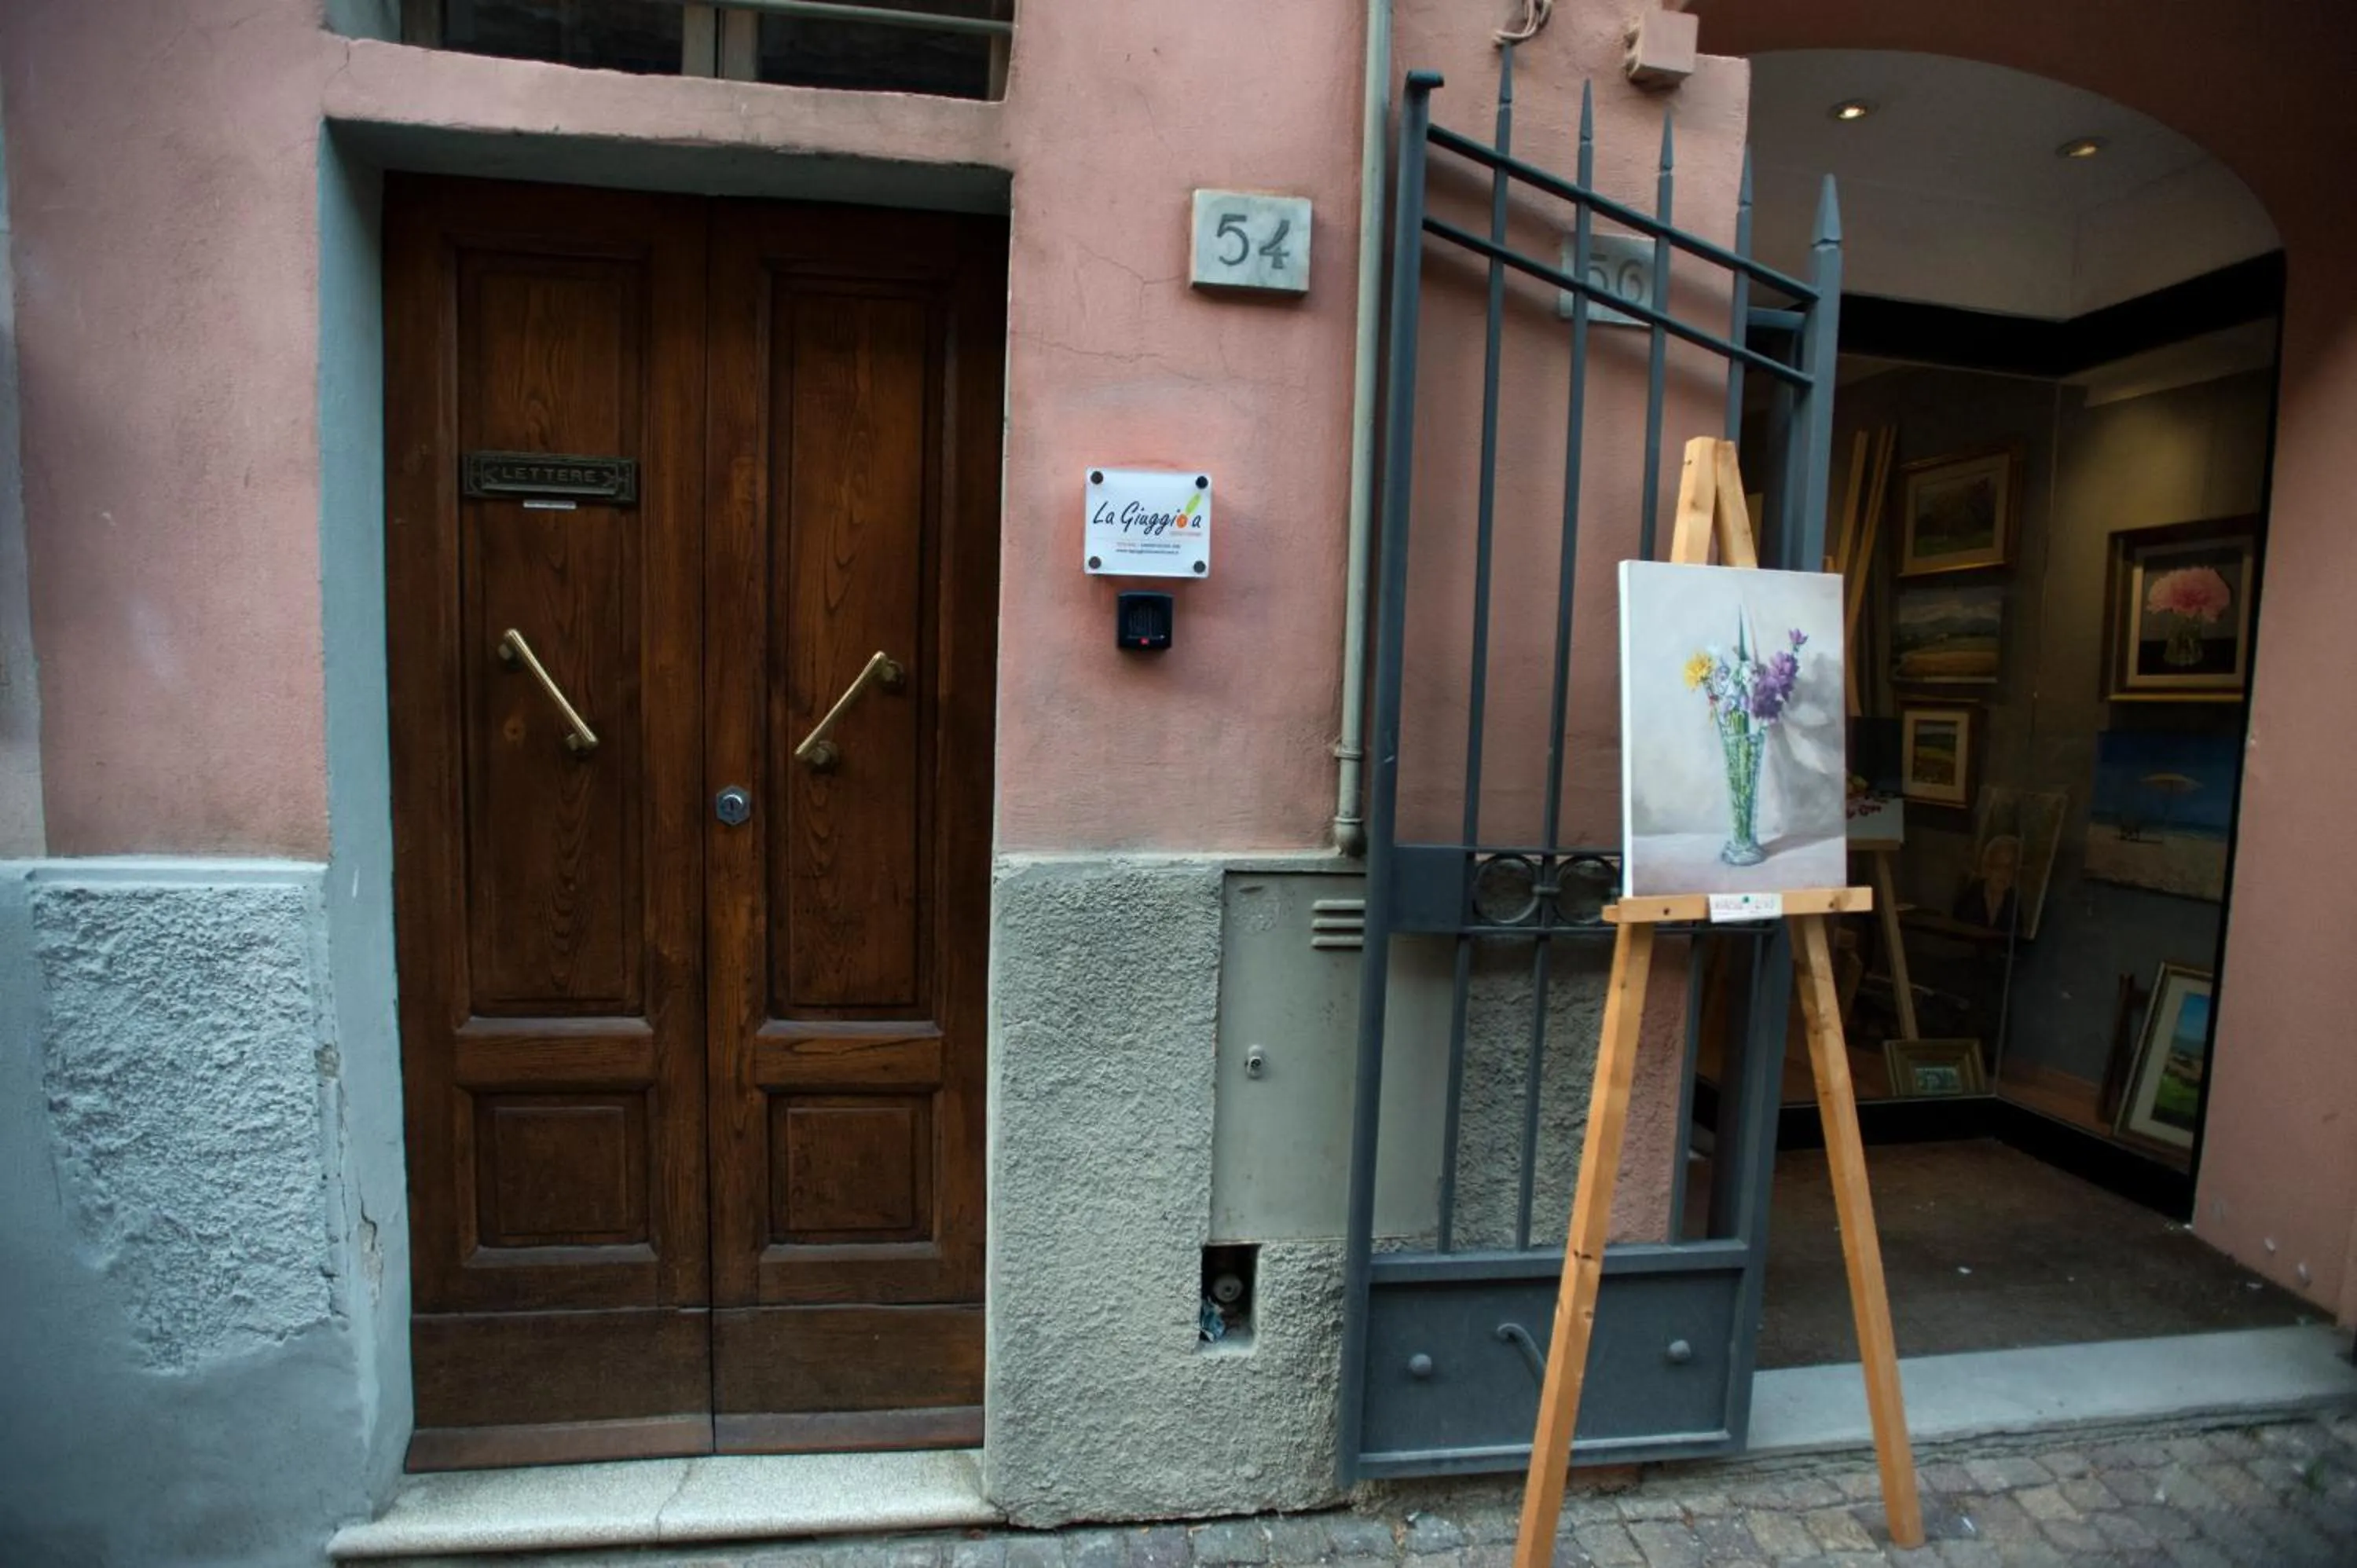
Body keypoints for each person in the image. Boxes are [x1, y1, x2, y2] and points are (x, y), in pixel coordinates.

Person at [1952, 832, 2021, 932]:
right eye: (1998, 866)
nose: (2004, 873)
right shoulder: (1969, 896)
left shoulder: (2014, 903)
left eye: (2009, 868)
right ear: (1987, 868)